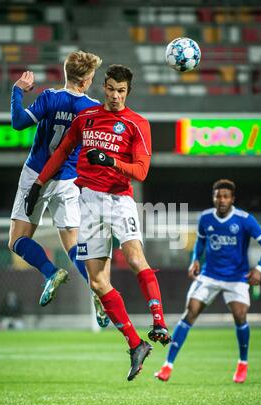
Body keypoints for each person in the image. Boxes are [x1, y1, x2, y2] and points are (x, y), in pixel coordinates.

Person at [25, 64, 171, 381]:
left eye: (122, 91)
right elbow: (62, 152)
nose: (116, 96)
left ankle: (158, 320)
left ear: (127, 92)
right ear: (103, 87)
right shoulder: (86, 119)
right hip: (88, 203)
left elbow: (142, 171)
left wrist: (111, 161)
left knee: (134, 258)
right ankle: (135, 344)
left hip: (119, 201)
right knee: (96, 282)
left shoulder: (137, 123)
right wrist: (38, 184)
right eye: (111, 89)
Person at [9, 51, 109, 327]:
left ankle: (51, 273)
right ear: (87, 80)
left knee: (17, 241)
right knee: (73, 245)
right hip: (67, 181)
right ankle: (98, 290)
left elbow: (18, 123)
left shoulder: (50, 98)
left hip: (35, 176)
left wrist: (16, 91)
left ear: (67, 74)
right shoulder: (93, 109)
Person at [155, 179, 261, 384]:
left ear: (232, 199)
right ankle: (167, 365)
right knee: (189, 311)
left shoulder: (245, 220)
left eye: (226, 196)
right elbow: (200, 242)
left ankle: (242, 363)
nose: (221, 200)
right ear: (214, 197)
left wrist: (259, 269)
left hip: (236, 278)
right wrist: (195, 261)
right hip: (209, 275)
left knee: (240, 315)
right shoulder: (205, 218)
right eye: (218, 196)